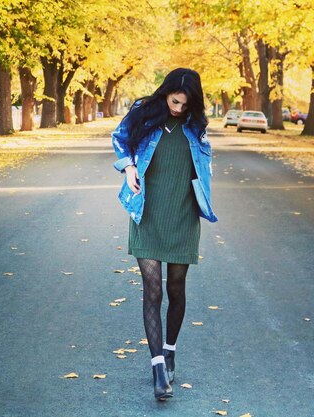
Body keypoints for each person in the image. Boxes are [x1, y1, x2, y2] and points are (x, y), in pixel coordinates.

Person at [111, 68, 218, 401]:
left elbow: (203, 166)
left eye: (185, 104)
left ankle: (170, 350)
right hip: (148, 213)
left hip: (183, 216)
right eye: (174, 101)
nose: (178, 109)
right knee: (153, 290)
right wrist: (129, 167)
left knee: (176, 287)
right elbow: (119, 137)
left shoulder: (196, 126)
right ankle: (158, 368)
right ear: (166, 93)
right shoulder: (145, 112)